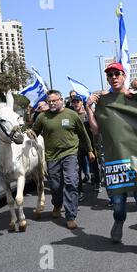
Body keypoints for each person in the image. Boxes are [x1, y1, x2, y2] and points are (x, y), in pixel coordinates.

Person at [86, 62, 137, 261]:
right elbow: (95, 130)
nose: (113, 77)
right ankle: (119, 221)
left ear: (124, 75)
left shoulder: (135, 97)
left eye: (117, 74)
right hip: (115, 160)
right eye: (109, 75)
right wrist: (88, 107)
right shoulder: (102, 101)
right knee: (118, 203)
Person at [31, 90, 95, 230]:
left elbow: (83, 134)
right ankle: (57, 204)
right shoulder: (42, 117)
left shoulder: (72, 115)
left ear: (61, 100)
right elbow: (33, 133)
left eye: (55, 100)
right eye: (50, 101)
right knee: (55, 186)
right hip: (52, 156)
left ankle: (70, 215)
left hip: (70, 154)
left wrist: (90, 150)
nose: (52, 103)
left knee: (71, 181)